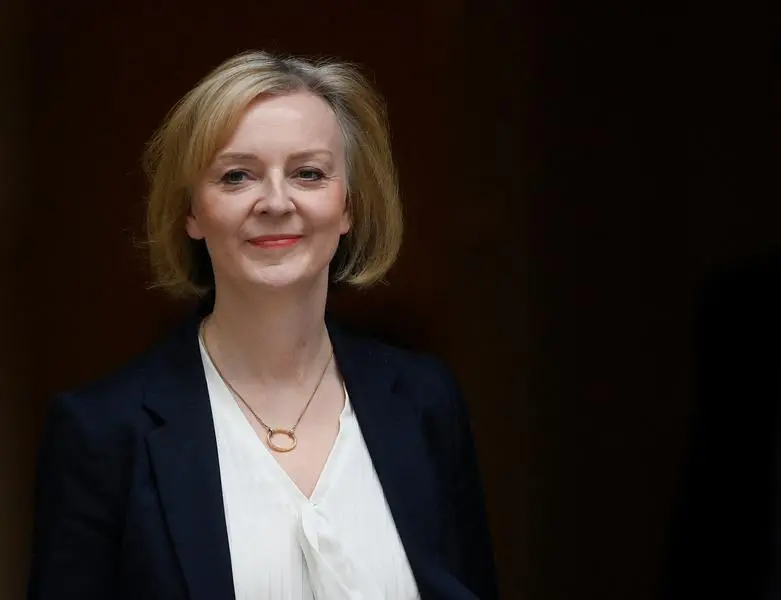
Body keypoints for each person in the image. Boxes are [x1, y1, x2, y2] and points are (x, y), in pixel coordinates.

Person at [27, 50, 497, 600]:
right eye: (237, 176)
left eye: (308, 173)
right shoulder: (102, 433)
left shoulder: (425, 402)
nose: (276, 201)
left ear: (348, 206)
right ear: (192, 212)